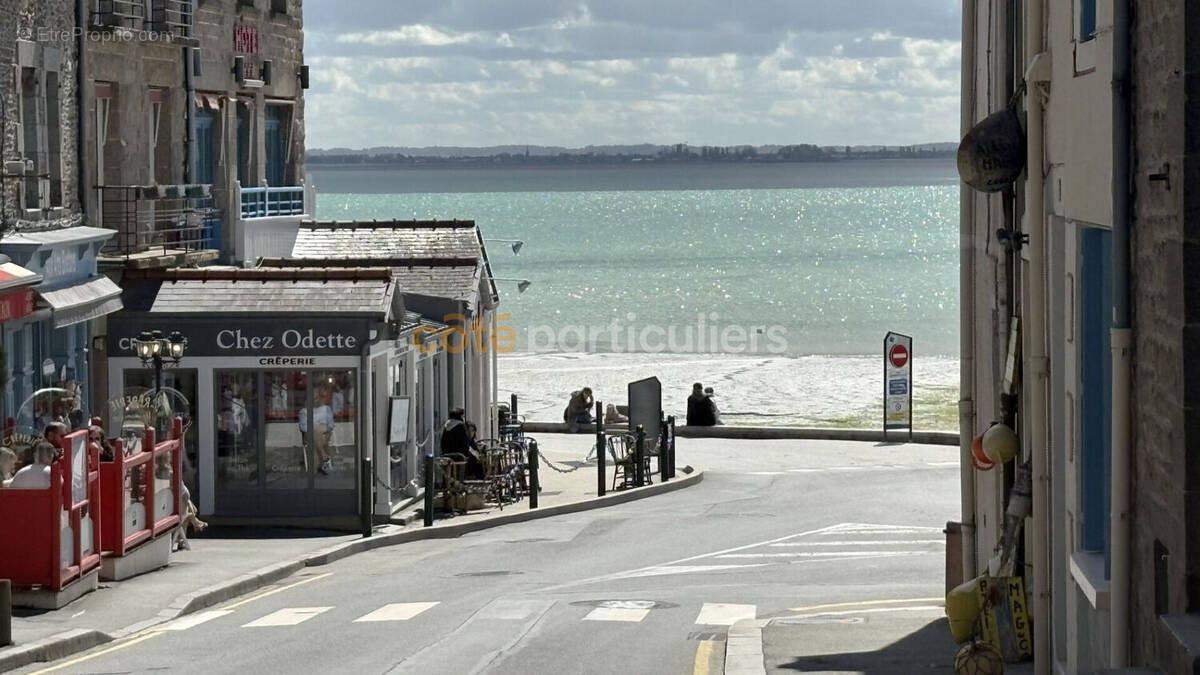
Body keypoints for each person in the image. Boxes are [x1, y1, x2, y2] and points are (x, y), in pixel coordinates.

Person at [298, 388, 334, 475]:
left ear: (320, 398)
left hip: (325, 433)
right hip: (309, 435)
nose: (315, 401)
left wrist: (321, 428)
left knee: (317, 432)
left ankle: (314, 469)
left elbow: (331, 424)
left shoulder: (326, 409)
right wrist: (316, 428)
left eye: (317, 398)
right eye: (313, 399)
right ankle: (324, 456)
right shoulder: (304, 411)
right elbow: (303, 427)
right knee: (315, 431)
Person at [440, 409, 485, 479]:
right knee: (478, 462)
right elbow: (465, 444)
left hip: (447, 455)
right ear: (460, 416)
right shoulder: (461, 426)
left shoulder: (446, 426)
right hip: (460, 456)